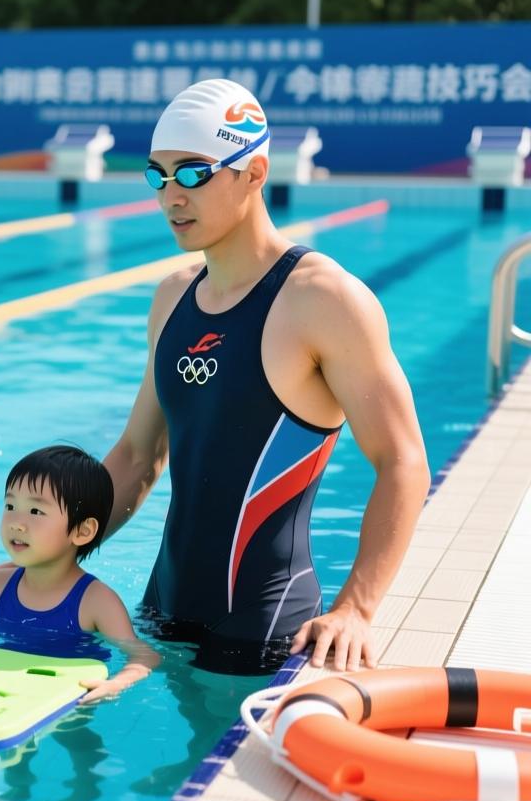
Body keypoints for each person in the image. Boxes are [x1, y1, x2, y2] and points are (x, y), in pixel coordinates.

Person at [103, 79, 430, 673]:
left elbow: (403, 461)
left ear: (254, 173)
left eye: (194, 173)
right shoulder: (173, 298)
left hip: (263, 626)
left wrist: (357, 608)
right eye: (158, 175)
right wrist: (52, 553)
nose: (171, 195)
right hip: (162, 607)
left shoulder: (324, 300)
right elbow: (136, 456)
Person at [0, 445, 159, 704]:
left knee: (80, 744)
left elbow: (144, 656)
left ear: (82, 531)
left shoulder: (96, 602)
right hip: (4, 691)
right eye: (10, 505)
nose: (16, 522)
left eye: (36, 511)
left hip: (73, 696)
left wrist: (116, 683)